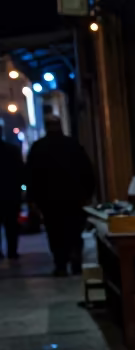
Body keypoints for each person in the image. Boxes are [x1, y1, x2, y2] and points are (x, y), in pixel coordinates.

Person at [26, 117, 95, 276]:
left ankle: (61, 263)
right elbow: (86, 170)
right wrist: (88, 193)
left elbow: (31, 175)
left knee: (55, 232)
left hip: (49, 200)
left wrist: (33, 199)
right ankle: (75, 259)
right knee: (74, 231)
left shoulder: (38, 148)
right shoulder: (73, 145)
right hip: (73, 198)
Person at [0, 138, 23, 260]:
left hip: (9, 193)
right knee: (12, 225)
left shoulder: (12, 150)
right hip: (11, 194)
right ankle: (12, 251)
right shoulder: (12, 150)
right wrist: (23, 189)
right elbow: (21, 172)